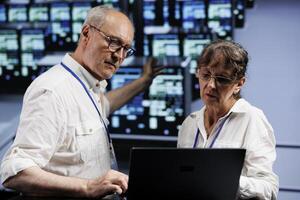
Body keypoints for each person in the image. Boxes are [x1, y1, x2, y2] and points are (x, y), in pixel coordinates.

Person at [0, 6, 162, 198]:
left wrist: (143, 82)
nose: (119, 55)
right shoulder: (52, 91)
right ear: (87, 33)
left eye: (126, 49)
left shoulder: (87, 84)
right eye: (113, 42)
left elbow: (104, 105)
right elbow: (14, 172)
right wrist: (87, 187)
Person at [177, 40, 279, 200]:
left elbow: (268, 188)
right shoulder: (189, 123)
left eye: (222, 79)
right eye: (205, 75)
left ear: (239, 83)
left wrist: (225, 181)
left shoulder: (252, 120)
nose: (210, 85)